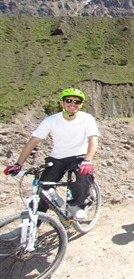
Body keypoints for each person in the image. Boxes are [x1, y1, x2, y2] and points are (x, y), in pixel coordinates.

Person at [3, 88, 100, 222]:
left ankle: (76, 206)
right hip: (57, 158)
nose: (72, 104)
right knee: (42, 189)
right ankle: (29, 226)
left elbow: (93, 140)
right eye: (69, 101)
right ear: (62, 103)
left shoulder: (87, 118)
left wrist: (88, 160)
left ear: (81, 104)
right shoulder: (51, 120)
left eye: (77, 102)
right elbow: (33, 141)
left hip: (79, 156)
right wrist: (18, 164)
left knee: (82, 176)